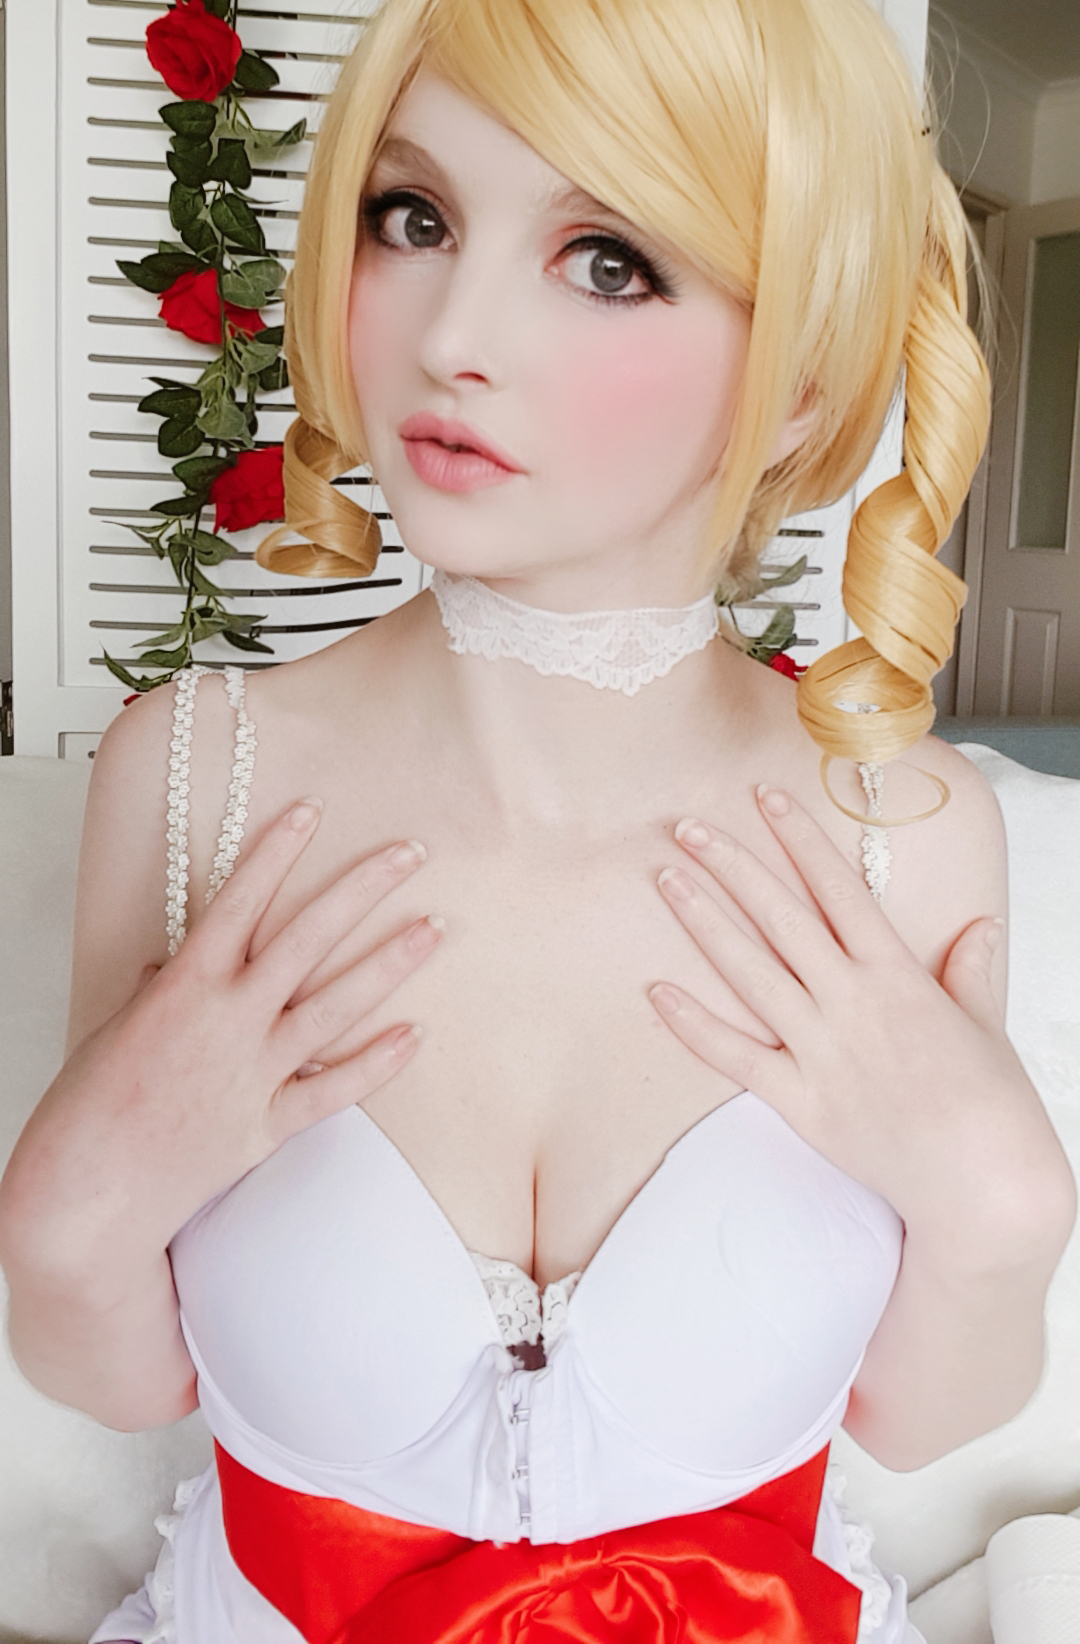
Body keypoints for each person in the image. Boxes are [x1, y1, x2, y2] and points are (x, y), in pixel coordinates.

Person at [0, 0, 1075, 1639]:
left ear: (796, 384)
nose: (451, 335)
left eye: (608, 260)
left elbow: (918, 1421)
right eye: (412, 217)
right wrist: (69, 1202)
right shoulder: (194, 774)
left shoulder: (904, 829)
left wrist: (1003, 1209)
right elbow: (118, 1377)